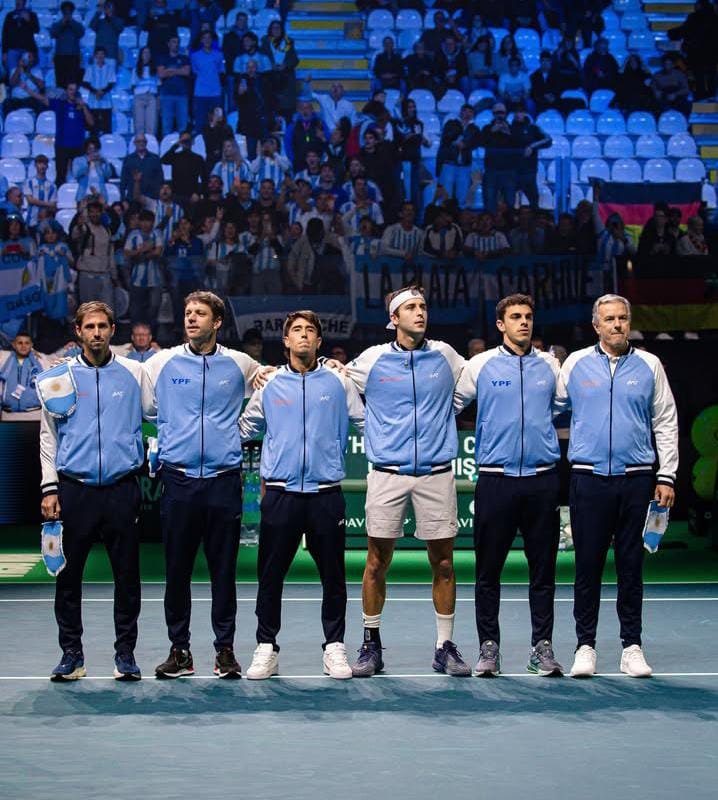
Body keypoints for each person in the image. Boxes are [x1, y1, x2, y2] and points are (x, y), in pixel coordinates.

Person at [344, 286, 471, 678]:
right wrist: (373, 427)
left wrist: (443, 416)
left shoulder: (446, 355)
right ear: (394, 319)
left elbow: (471, 381)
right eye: (411, 308)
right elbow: (341, 384)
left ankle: (444, 646)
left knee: (445, 563)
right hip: (388, 475)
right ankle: (371, 644)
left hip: (436, 473)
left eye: (423, 306)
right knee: (376, 562)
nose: (420, 313)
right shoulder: (372, 359)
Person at [556, 294, 679, 678]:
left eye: (622, 318)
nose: (617, 325)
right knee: (586, 567)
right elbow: (551, 407)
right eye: (609, 319)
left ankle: (632, 647)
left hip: (637, 479)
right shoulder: (574, 364)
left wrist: (667, 474)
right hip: (588, 479)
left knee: (631, 566)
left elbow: (665, 421)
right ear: (596, 325)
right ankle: (585, 646)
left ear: (629, 322)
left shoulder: (649, 365)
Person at [144, 291, 264, 680]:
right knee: (176, 572)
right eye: (188, 312)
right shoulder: (161, 362)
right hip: (178, 481)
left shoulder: (239, 363)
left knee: (223, 573)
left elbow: (273, 383)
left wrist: (239, 432)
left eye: (200, 314)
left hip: (222, 482)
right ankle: (179, 651)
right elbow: (138, 397)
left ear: (217, 322)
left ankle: (224, 651)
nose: (191, 319)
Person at [239, 311, 365, 679]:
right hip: (281, 494)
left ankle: (335, 647)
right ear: (287, 342)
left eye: (311, 331)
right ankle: (266, 646)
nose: (304, 336)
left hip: (326, 493)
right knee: (270, 575)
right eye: (297, 330)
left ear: (319, 342)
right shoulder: (270, 384)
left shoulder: (338, 383)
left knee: (333, 576)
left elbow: (364, 422)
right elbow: (246, 427)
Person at [39, 301, 152, 681]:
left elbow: (161, 412)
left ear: (113, 330)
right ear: (78, 332)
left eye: (103, 326)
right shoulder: (59, 378)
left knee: (127, 576)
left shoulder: (135, 373)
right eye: (90, 327)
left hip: (122, 489)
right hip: (75, 490)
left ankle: (126, 654)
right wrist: (49, 488)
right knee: (68, 577)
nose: (97, 333)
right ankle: (72, 654)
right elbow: (48, 436)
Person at [454, 294, 564, 677]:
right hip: (495, 481)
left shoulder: (550, 365)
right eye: (515, 317)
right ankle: (489, 648)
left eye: (529, 317)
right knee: (488, 572)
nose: (524, 323)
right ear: (500, 324)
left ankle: (542, 648)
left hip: (542, 480)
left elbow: (563, 404)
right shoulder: (480, 365)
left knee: (543, 571)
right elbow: (449, 404)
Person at [24, 82, 94, 184]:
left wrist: (83, 107)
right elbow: (42, 99)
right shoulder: (60, 105)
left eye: (75, 90)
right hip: (62, 146)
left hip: (79, 146)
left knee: (81, 176)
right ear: (66, 91)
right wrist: (26, 88)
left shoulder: (83, 106)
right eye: (70, 89)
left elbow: (91, 123)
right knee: (60, 177)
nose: (72, 92)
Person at [71, 200, 117, 307]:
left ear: (101, 213)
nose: (95, 214)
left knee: (107, 310)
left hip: (104, 274)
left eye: (97, 212)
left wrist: (114, 276)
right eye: (92, 212)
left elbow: (110, 253)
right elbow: (75, 234)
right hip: (87, 274)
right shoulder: (84, 228)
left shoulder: (106, 230)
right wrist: (79, 224)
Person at [124, 209, 163, 325]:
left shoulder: (157, 233)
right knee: (136, 310)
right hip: (137, 280)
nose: (146, 224)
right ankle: (136, 335)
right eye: (143, 221)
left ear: (153, 222)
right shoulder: (133, 235)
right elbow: (126, 253)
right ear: (139, 222)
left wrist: (140, 254)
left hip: (155, 280)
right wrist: (143, 250)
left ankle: (152, 335)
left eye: (149, 221)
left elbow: (158, 252)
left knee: (154, 307)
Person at [510, 101, 551, 209]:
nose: (518, 114)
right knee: (509, 203)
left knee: (534, 203)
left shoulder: (533, 128)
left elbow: (548, 140)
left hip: (529, 172)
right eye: (516, 112)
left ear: (525, 113)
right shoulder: (509, 129)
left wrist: (532, 146)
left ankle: (534, 224)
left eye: (520, 112)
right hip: (512, 172)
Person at [479, 103, 516, 213]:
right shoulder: (487, 129)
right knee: (489, 202)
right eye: (497, 112)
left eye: (502, 112)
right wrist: (492, 131)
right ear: (493, 114)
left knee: (509, 202)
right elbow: (481, 142)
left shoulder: (512, 129)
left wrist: (508, 133)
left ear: (505, 114)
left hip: (508, 171)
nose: (499, 115)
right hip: (491, 170)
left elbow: (518, 145)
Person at [190, 31, 225, 134]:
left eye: (209, 38)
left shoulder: (219, 55)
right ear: (201, 40)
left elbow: (221, 72)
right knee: (200, 123)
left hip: (215, 93)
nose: (207, 40)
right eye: (204, 38)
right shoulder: (195, 56)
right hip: (200, 93)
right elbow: (194, 72)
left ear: (212, 40)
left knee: (217, 122)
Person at [0, 333, 44, 412]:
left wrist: (67, 348)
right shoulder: (4, 358)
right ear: (13, 345)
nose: (23, 346)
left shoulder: (39, 359)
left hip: (33, 412)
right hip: (8, 413)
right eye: (20, 343)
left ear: (31, 345)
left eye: (27, 343)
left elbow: (56, 358)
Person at [157, 35, 191, 137]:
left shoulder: (184, 58)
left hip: (182, 95)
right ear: (168, 44)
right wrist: (179, 71)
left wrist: (170, 70)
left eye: (177, 42)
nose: (176, 44)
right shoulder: (163, 58)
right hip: (166, 95)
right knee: (167, 127)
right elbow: (161, 74)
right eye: (173, 42)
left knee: (183, 127)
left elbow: (187, 72)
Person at [161, 130, 207, 205]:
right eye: (183, 140)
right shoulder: (175, 156)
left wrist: (198, 193)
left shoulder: (198, 158)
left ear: (192, 142)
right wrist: (176, 146)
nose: (186, 142)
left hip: (192, 196)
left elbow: (205, 178)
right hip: (176, 195)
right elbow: (163, 160)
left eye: (188, 140)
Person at [81, 47, 115, 136]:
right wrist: (96, 92)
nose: (100, 56)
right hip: (93, 101)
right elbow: (85, 83)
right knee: (93, 127)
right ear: (95, 56)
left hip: (106, 101)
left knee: (107, 127)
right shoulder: (90, 68)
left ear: (105, 56)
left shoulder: (110, 68)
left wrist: (102, 92)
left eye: (102, 54)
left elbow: (111, 83)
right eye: (98, 54)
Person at [121, 133, 164, 202]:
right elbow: (123, 181)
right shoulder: (128, 159)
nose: (141, 143)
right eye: (138, 141)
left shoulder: (155, 158)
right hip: (132, 199)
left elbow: (160, 179)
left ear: (146, 143)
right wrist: (123, 200)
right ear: (134, 143)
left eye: (143, 141)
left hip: (151, 198)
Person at [50, 1, 84, 89]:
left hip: (73, 57)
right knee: (60, 83)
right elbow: (53, 33)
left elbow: (80, 33)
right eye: (65, 11)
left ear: (72, 12)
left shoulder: (77, 24)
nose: (67, 13)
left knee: (73, 83)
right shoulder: (57, 24)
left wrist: (71, 22)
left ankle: (72, 102)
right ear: (62, 12)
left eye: (69, 11)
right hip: (60, 57)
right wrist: (63, 23)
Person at [1, 0, 39, 75]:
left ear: (24, 2)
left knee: (26, 74)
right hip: (12, 50)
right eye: (16, 0)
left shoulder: (32, 15)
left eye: (20, 0)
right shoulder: (9, 15)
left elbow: (36, 30)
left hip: (27, 50)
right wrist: (4, 52)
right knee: (12, 74)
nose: (18, 2)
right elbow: (5, 34)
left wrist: (29, 20)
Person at [132, 46, 160, 137]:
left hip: (151, 97)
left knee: (151, 125)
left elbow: (158, 85)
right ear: (141, 55)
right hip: (139, 97)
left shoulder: (155, 70)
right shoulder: (136, 70)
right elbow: (133, 85)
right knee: (139, 124)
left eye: (148, 53)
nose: (147, 55)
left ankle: (151, 146)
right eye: (144, 53)